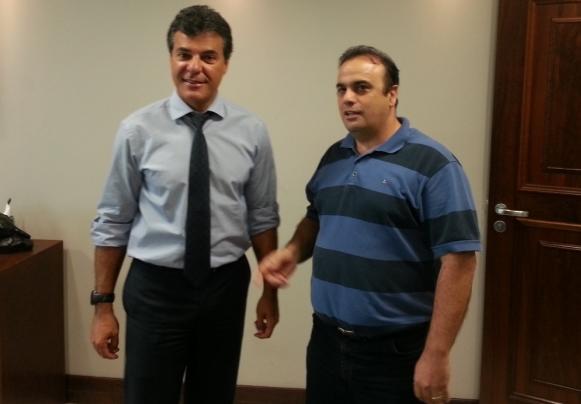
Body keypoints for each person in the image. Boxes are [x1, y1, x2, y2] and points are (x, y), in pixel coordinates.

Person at [259, 45, 480, 404]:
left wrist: (437, 354)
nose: (347, 98)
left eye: (361, 88)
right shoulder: (334, 157)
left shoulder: (435, 165)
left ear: (392, 95)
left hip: (395, 354)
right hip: (327, 343)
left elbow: (460, 262)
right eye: (341, 89)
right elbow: (316, 217)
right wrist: (292, 252)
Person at [90, 5, 280, 404]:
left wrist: (270, 293)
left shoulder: (252, 132)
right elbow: (113, 220)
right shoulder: (137, 130)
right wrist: (102, 307)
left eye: (208, 56)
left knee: (214, 395)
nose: (195, 67)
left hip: (225, 287)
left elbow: (262, 217)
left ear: (225, 64)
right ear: (171, 59)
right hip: (156, 288)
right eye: (184, 55)